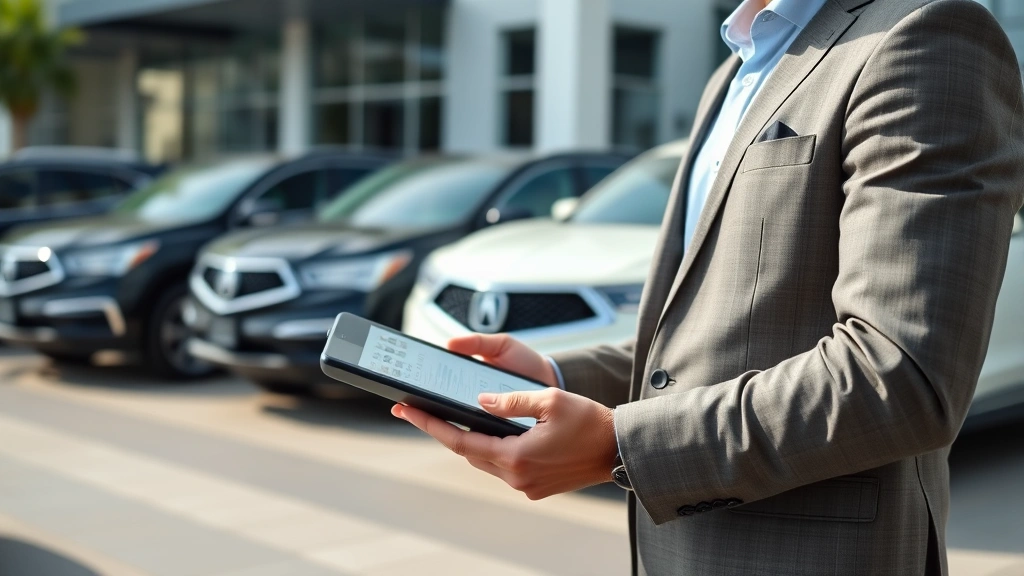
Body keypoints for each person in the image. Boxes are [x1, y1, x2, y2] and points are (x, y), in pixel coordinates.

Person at [391, 0, 1024, 573]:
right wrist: (557, 376)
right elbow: (712, 339)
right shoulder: (738, 68)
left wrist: (621, 446)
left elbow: (900, 375)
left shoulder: (927, 37)